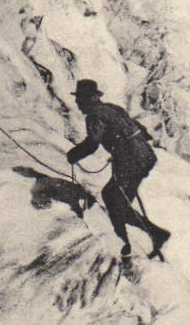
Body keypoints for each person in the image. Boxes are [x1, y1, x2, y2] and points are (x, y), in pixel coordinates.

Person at [68, 79, 169, 260]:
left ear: (88, 99)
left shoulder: (95, 116)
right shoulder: (113, 109)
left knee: (113, 199)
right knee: (117, 200)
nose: (78, 104)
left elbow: (92, 144)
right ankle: (154, 234)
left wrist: (74, 155)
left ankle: (124, 246)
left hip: (130, 161)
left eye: (80, 100)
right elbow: (141, 129)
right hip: (144, 156)